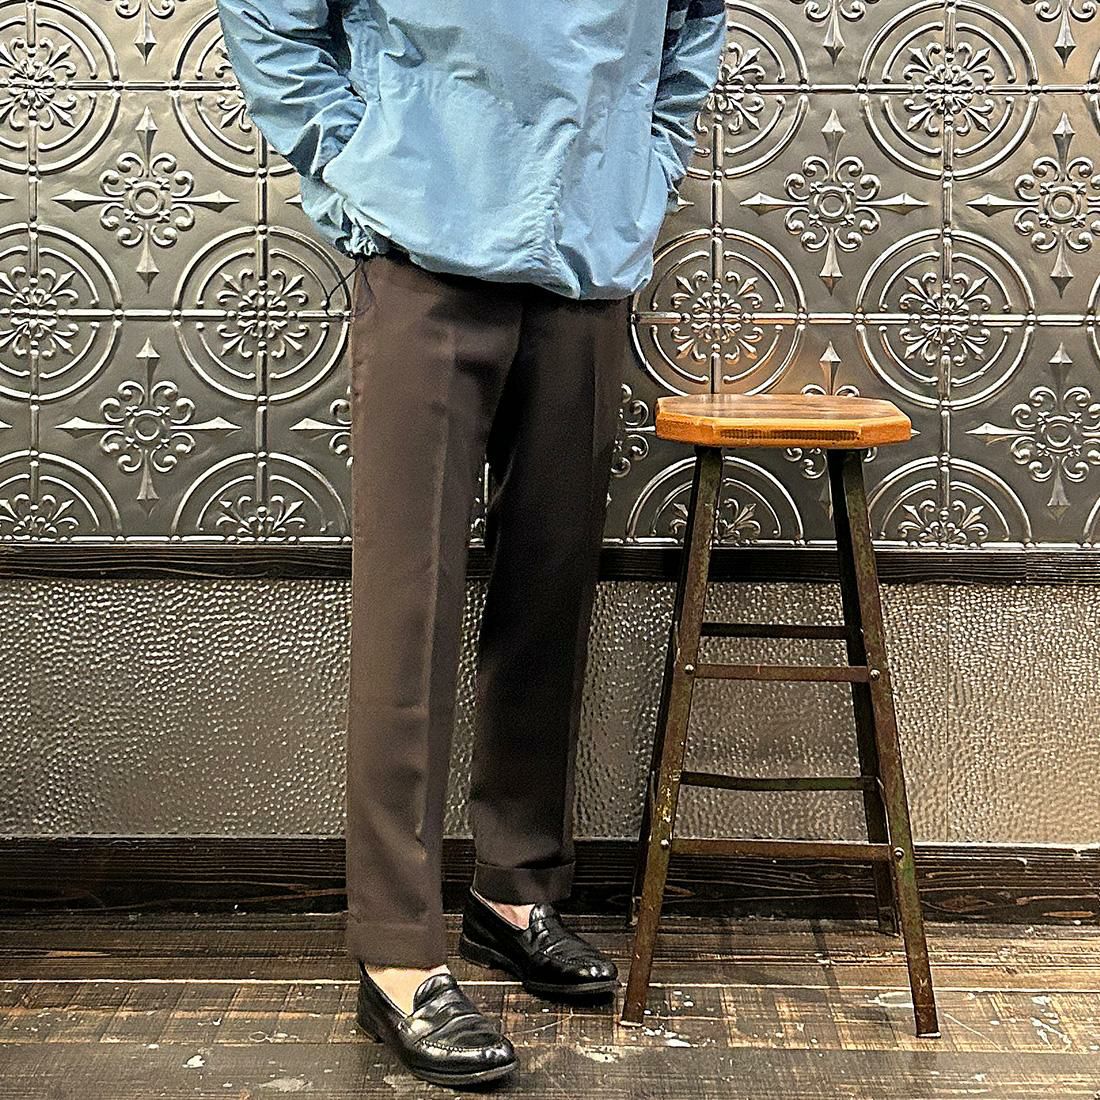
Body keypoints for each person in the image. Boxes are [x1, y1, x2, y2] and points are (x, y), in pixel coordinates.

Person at [215, 0, 727, 1088]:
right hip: (426, 251)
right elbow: (268, 15)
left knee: (549, 594)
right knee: (409, 613)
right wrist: (355, 162)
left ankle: (514, 891)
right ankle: (397, 951)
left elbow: (692, 27)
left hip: (584, 263)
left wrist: (646, 169)